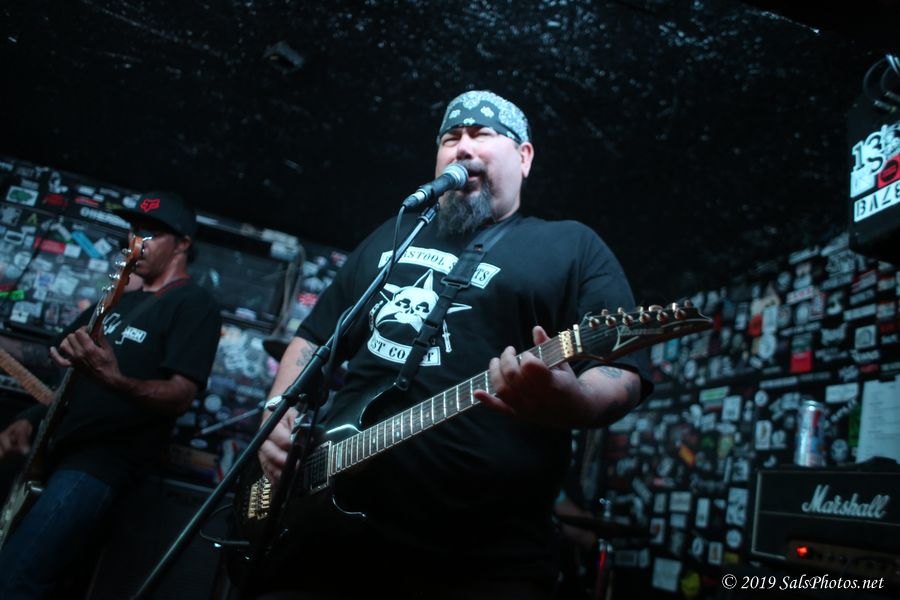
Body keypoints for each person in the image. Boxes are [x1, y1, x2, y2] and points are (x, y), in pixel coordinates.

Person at [255, 90, 651, 600]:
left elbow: (623, 369)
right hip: (324, 535)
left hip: (480, 561)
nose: (462, 147)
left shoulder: (572, 246)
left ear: (524, 157)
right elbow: (314, 338)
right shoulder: (393, 236)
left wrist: (574, 402)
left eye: (482, 135)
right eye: (450, 138)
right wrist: (275, 413)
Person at [0, 192, 222, 598]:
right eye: (134, 231)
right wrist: (28, 420)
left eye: (151, 233)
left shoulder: (194, 304)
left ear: (182, 244)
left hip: (101, 464)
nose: (137, 241)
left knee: (18, 577)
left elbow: (180, 395)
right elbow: (67, 372)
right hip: (56, 451)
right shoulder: (121, 299)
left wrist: (115, 380)